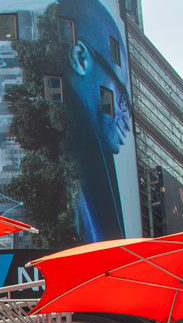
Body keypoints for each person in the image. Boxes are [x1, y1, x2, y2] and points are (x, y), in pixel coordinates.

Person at [53, 0, 133, 242]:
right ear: (80, 58)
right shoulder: (70, 154)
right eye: (122, 102)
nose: (127, 123)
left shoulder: (91, 158)